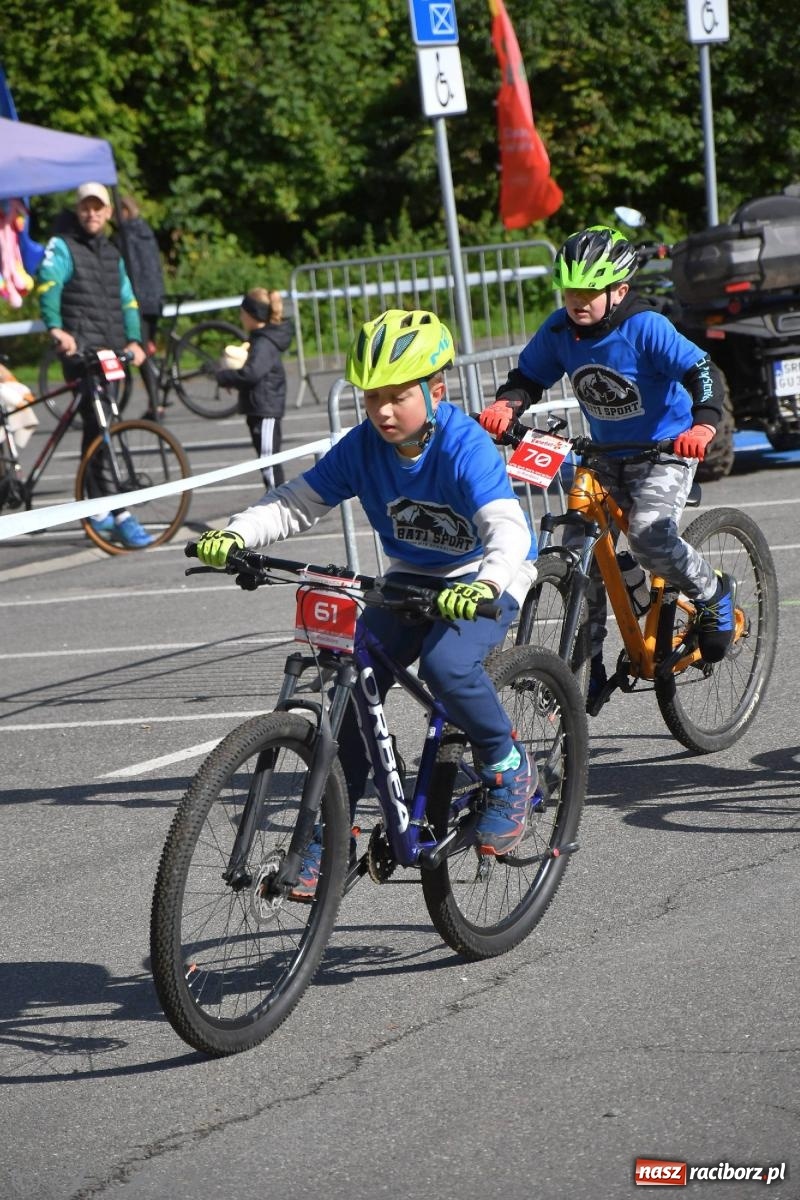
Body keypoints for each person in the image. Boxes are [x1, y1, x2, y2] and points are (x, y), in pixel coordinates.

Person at [195, 308, 539, 896]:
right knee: (354, 687)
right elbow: (298, 501)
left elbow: (507, 528)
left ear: (437, 390)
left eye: (397, 396)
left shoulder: (464, 446)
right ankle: (336, 832)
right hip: (409, 580)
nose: (382, 410)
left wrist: (484, 583)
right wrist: (237, 534)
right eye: (371, 396)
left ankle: (508, 768)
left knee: (447, 666)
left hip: (484, 581)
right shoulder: (363, 447)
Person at [478, 224, 736, 711]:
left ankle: (711, 592)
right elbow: (527, 377)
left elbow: (700, 370)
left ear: (618, 291)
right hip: (603, 455)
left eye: (589, 292)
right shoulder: (560, 330)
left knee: (648, 534)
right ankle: (587, 665)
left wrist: (702, 427)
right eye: (571, 290)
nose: (578, 300)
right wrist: (507, 406)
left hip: (664, 451)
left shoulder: (645, 328)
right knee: (579, 552)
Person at [37, 182, 152, 548]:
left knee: (101, 428)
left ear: (106, 212)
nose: (92, 213)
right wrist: (57, 328)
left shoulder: (111, 252)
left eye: (98, 208)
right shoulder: (63, 245)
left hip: (111, 352)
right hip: (81, 352)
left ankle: (96, 510)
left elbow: (127, 299)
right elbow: (48, 284)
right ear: (78, 208)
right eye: (86, 207)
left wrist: (135, 340)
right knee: (103, 429)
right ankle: (119, 513)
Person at [215, 287, 294, 489]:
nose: (240, 316)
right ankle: (274, 500)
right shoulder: (260, 338)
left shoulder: (264, 342)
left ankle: (277, 506)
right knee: (266, 462)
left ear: (252, 314)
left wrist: (225, 377)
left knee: (269, 463)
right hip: (259, 406)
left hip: (265, 408)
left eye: (243, 312)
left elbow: (252, 374)